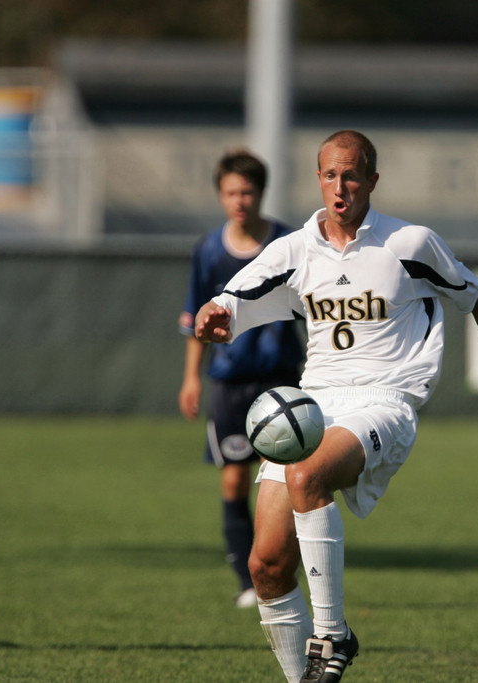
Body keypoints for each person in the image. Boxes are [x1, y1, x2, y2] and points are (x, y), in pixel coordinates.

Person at [195, 129, 478, 682]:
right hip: (313, 405)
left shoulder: (410, 243)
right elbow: (234, 299)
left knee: (307, 476)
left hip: (386, 402)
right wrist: (216, 314)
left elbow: (477, 295)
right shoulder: (296, 249)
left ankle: (332, 635)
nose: (340, 185)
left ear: (373, 180)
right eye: (330, 174)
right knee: (266, 565)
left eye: (352, 174)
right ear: (318, 180)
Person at [177, 149, 303, 608]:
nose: (240, 201)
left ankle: (280, 569)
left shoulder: (289, 243)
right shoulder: (210, 250)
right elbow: (196, 319)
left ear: (260, 193)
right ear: (220, 195)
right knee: (233, 481)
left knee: (285, 482)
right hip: (230, 381)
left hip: (280, 378)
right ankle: (247, 580)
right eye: (231, 192)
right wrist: (192, 378)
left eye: (247, 191)